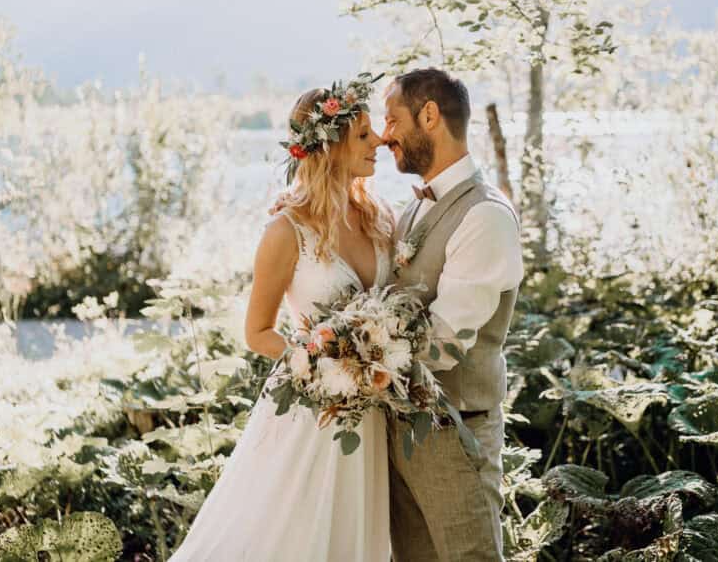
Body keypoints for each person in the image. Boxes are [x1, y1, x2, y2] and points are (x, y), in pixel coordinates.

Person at [168, 78, 394, 561]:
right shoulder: (285, 229)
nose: (379, 142)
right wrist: (324, 360)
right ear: (329, 149)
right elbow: (257, 333)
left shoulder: (379, 217)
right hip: (312, 407)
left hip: (373, 410)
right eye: (363, 136)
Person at [381, 67, 524, 562]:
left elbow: (442, 343)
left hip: (456, 431)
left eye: (392, 119)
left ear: (429, 115)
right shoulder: (413, 208)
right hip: (401, 431)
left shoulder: (485, 215)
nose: (384, 135)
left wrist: (355, 358)